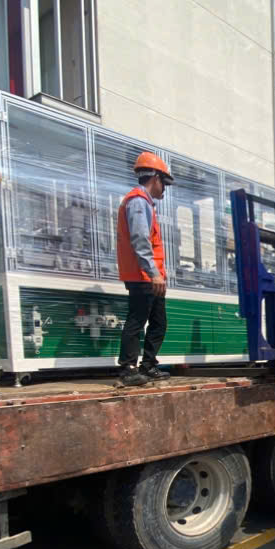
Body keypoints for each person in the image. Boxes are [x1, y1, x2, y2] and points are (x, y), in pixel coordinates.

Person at [116, 151, 173, 386]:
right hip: (143, 276)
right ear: (156, 178)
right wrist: (153, 273)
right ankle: (128, 368)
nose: (164, 189)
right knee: (137, 320)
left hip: (150, 276)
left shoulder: (145, 202)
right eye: (164, 183)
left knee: (159, 322)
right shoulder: (138, 201)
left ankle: (148, 365)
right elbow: (140, 239)